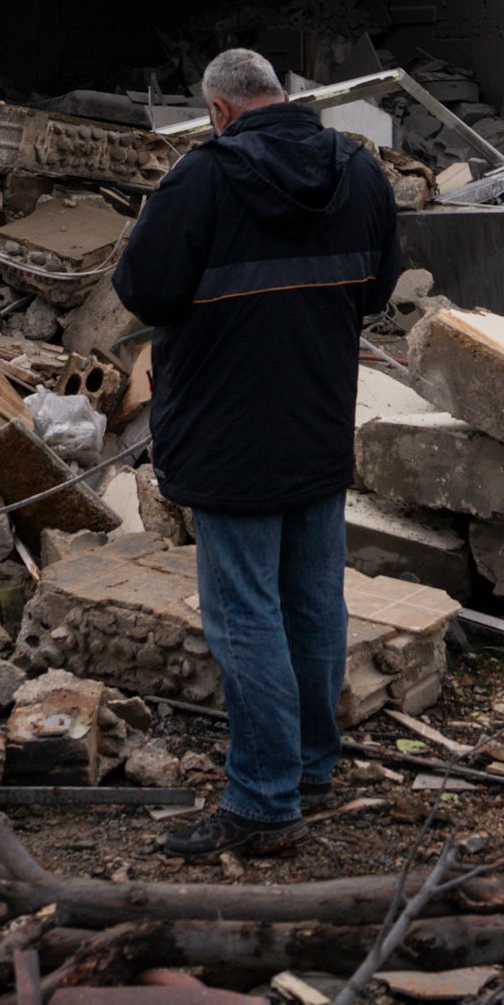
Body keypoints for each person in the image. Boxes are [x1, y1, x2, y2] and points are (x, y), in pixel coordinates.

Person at [109, 46, 403, 858]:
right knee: (314, 603)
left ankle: (264, 800)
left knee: (245, 614)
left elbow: (141, 289)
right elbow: (377, 289)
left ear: (218, 110)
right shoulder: (359, 171)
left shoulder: (201, 179)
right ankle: (308, 766)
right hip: (318, 421)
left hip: (228, 433)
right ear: (282, 94)